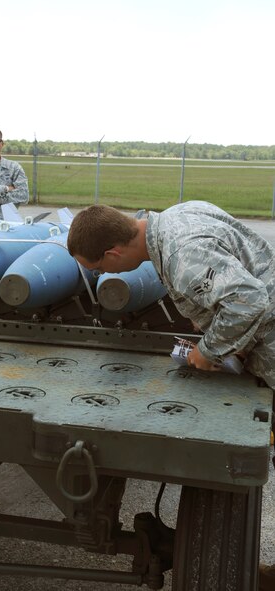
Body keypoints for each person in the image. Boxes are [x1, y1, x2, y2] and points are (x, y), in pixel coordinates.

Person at [67, 200, 275, 590]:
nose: (101, 276)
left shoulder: (181, 253)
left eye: (98, 269)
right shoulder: (176, 216)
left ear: (113, 253)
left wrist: (209, 350)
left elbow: (250, 301)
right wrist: (228, 334)